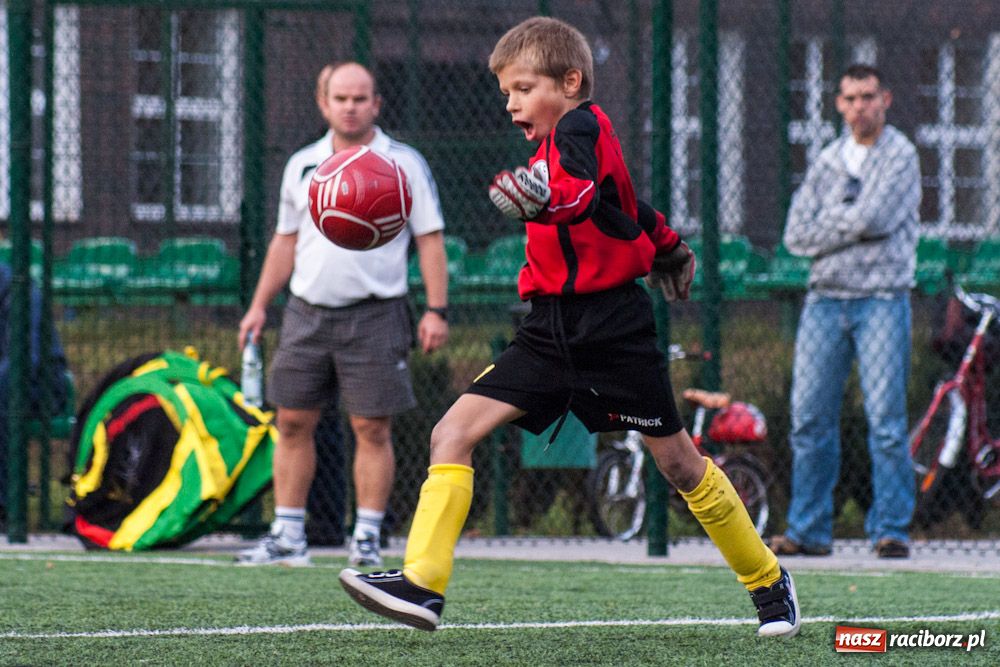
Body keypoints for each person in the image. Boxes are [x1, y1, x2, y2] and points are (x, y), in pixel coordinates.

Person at [338, 17, 800, 638]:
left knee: (682, 467)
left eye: (523, 89)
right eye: (506, 92)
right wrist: (667, 246)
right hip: (547, 333)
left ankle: (770, 583)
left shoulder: (581, 127)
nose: (511, 104)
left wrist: (543, 199)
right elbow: (626, 205)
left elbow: (578, 195)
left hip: (613, 330)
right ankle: (422, 585)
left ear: (571, 81)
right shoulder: (555, 151)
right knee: (451, 433)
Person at [236, 62, 450, 568]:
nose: (350, 106)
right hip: (306, 313)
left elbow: (430, 239)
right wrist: (259, 306)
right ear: (323, 102)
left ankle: (368, 537)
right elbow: (285, 241)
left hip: (376, 315)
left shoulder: (403, 164)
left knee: (372, 428)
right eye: (341, 98)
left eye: (360, 98)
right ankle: (288, 536)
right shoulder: (302, 165)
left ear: (376, 104)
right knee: (290, 421)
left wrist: (437, 309)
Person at [769, 64, 920, 559]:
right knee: (809, 419)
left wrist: (832, 224)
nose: (860, 106)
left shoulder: (901, 156)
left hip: (882, 298)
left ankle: (891, 530)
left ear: (886, 100)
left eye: (868, 96)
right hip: (824, 300)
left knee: (886, 422)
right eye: (851, 97)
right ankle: (809, 531)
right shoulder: (828, 159)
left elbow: (879, 218)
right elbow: (796, 234)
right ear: (838, 103)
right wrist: (852, 225)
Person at [0, 260, 69, 529]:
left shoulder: (20, 290)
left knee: (4, 388)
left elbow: (26, 359)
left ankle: (4, 504)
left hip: (42, 385)